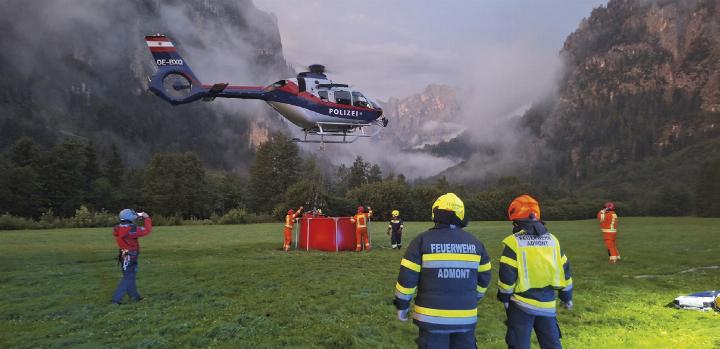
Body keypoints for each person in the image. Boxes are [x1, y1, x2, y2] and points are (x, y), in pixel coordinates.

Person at [393, 193, 492, 349]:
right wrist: (473, 297)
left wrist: (402, 306)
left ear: (435, 213)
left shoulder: (421, 241)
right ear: (461, 215)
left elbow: (407, 279)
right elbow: (485, 277)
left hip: (431, 319)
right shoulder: (476, 243)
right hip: (465, 317)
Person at [498, 195, 573, 349]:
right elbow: (565, 271)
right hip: (547, 304)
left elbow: (507, 276)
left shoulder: (513, 242)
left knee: (519, 344)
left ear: (516, 221)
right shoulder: (553, 241)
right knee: (552, 343)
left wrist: (504, 297)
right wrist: (566, 297)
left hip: (520, 305)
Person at [111, 209, 152, 304]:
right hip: (131, 255)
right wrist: (146, 218)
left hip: (123, 254)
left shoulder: (117, 228)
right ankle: (116, 299)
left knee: (130, 276)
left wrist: (138, 215)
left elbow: (116, 231)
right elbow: (147, 230)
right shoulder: (131, 229)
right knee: (128, 277)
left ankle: (135, 296)